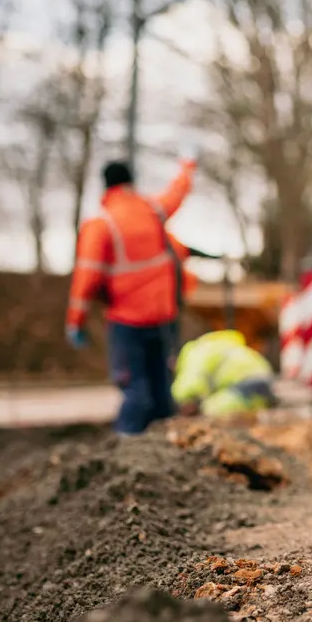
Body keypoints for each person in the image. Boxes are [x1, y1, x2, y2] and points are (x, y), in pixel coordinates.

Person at [66, 155, 196, 435]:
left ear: (105, 185)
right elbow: (178, 192)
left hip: (127, 321)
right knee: (163, 391)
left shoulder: (102, 223)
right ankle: (166, 451)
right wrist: (188, 164)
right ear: (131, 182)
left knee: (134, 389)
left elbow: (86, 277)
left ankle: (126, 455)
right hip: (164, 317)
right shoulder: (151, 209)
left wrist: (75, 321)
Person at [171, 329, 278, 417]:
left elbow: (190, 383)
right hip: (262, 374)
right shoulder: (206, 346)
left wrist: (182, 399)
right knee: (250, 406)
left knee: (210, 409)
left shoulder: (193, 354)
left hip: (245, 378)